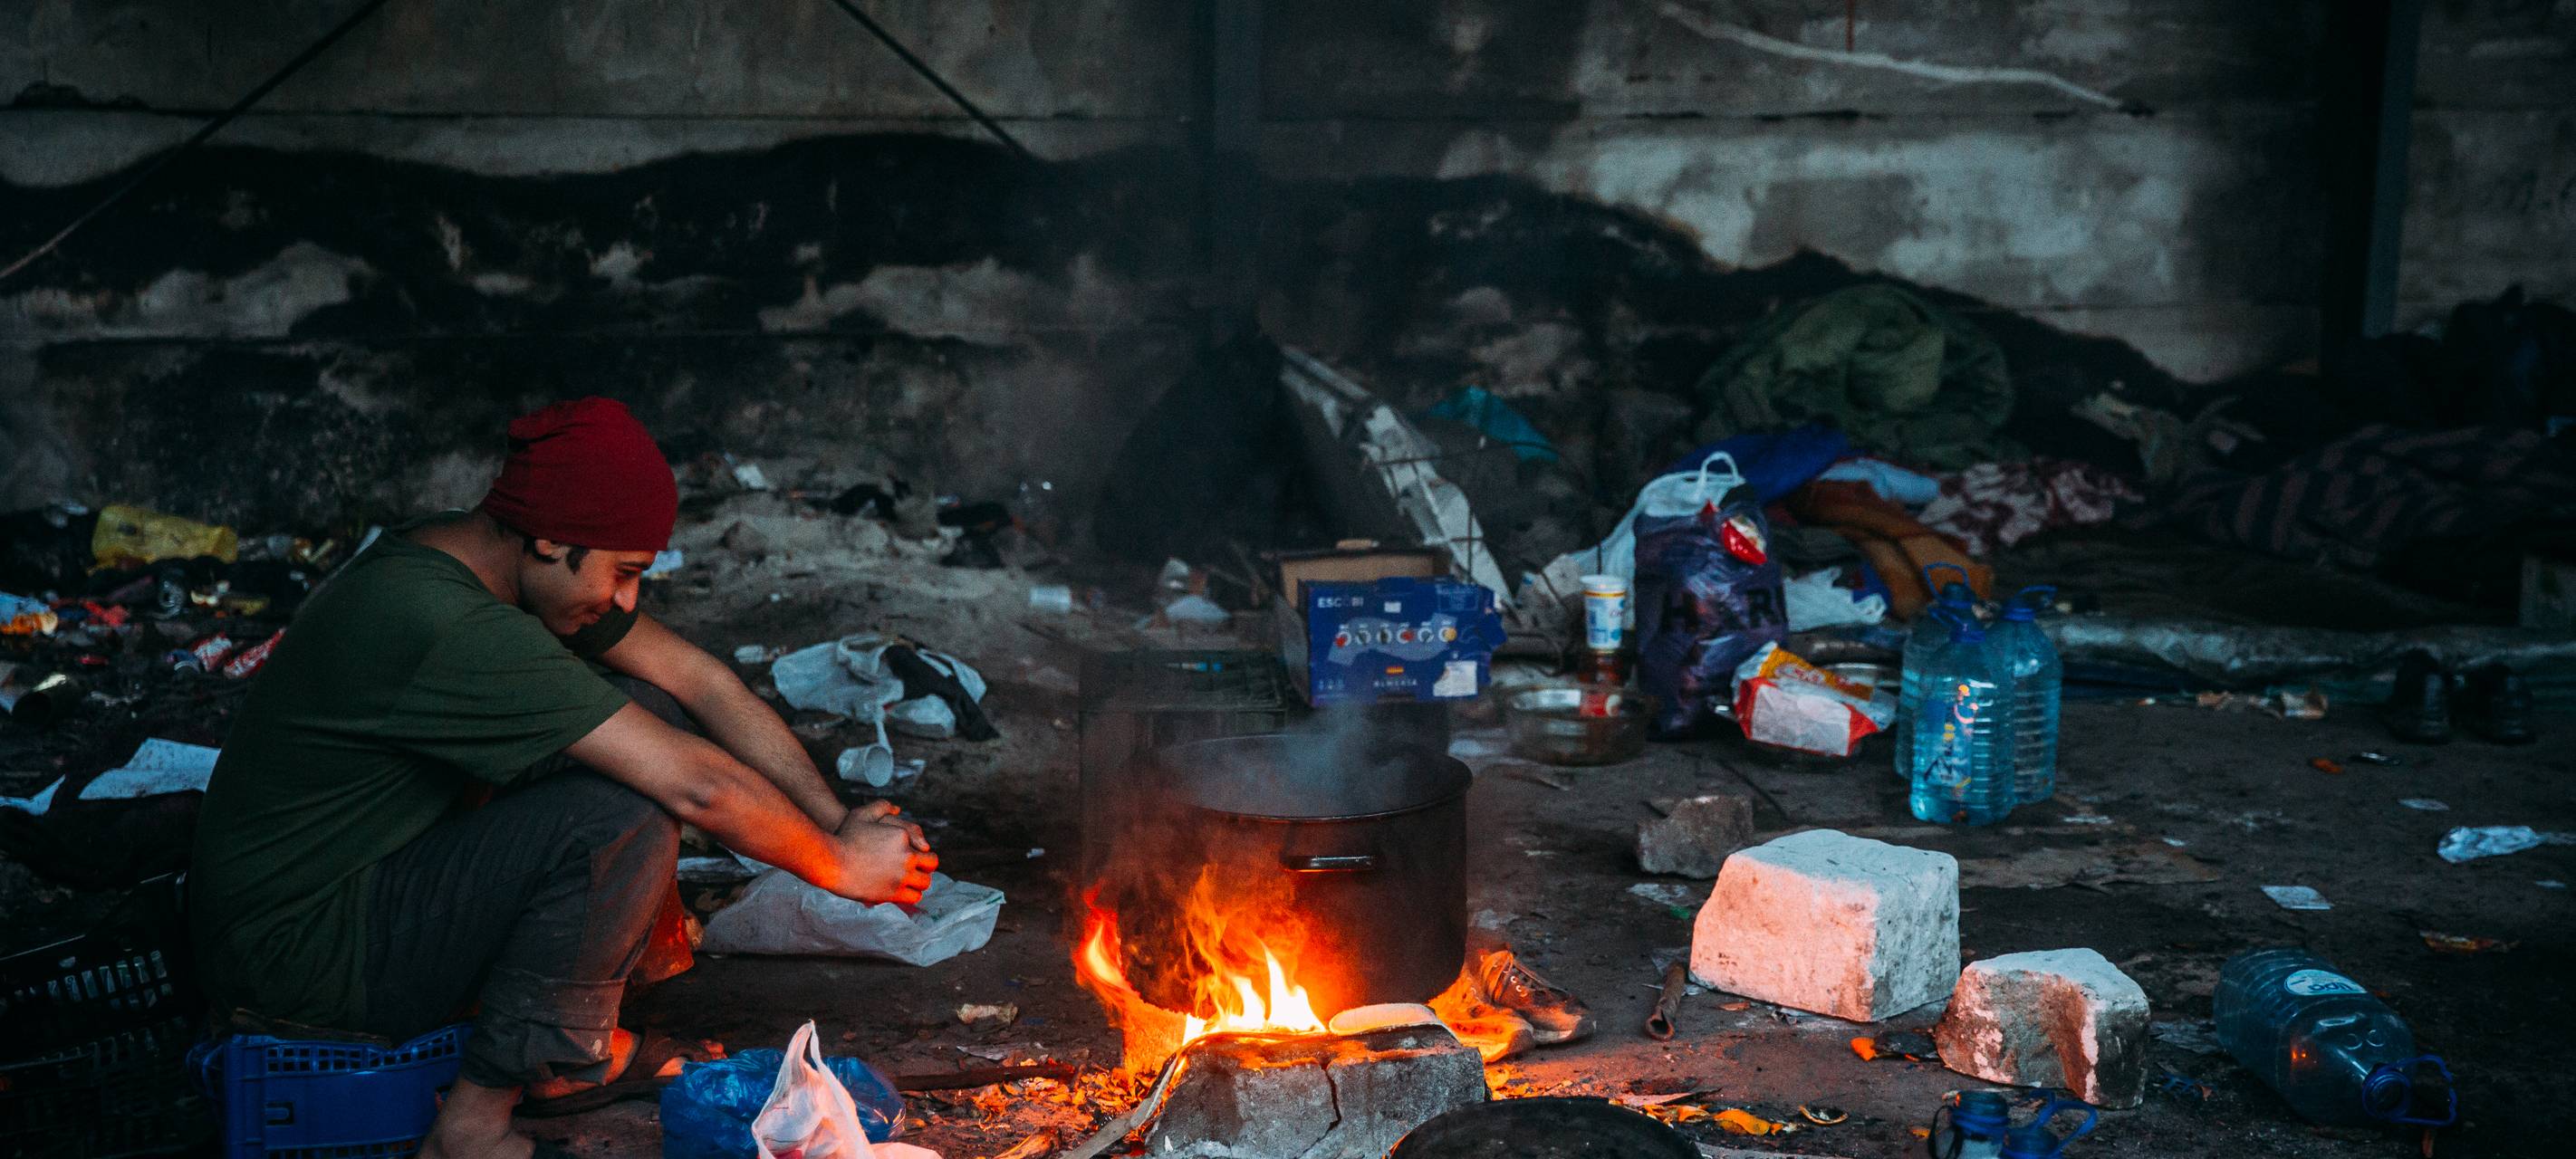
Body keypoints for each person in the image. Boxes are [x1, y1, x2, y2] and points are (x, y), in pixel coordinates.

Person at [187, 398, 935, 1159]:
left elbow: (703, 684)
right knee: (620, 811)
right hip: (299, 962)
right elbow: (698, 788)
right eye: (624, 573)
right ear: (552, 541)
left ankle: (567, 1051)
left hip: (354, 893)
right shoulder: (441, 620)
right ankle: (472, 1130)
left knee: (646, 708)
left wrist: (837, 821)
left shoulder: (481, 555)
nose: (627, 600)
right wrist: (839, 866)